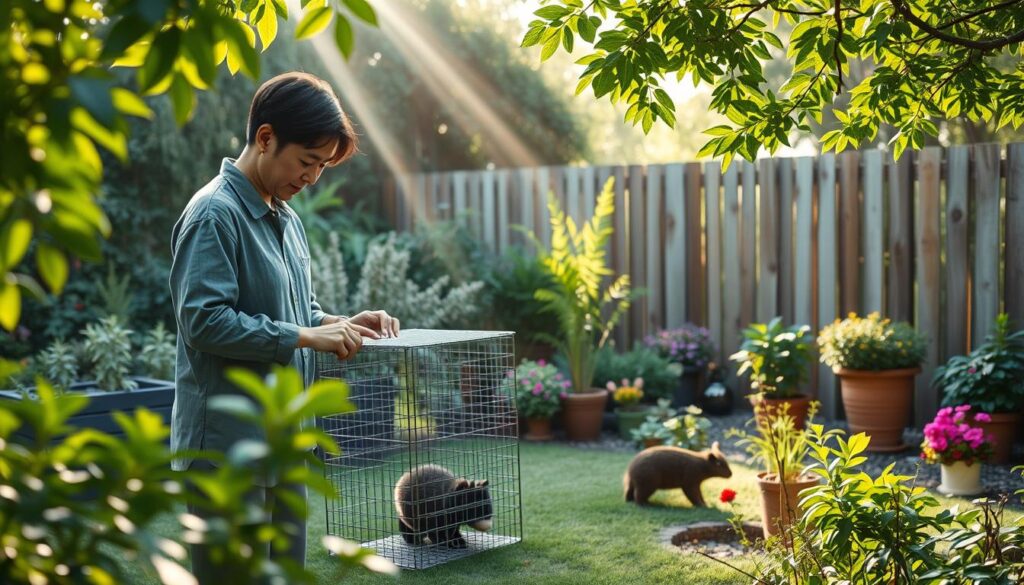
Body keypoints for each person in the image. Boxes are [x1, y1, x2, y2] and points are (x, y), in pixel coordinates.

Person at [168, 71, 399, 580]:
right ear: (266, 138)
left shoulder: (287, 218)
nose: (313, 177)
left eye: (322, 166)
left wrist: (341, 323)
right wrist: (305, 335)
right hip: (227, 450)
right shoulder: (213, 214)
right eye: (307, 161)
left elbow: (300, 312)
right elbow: (203, 321)